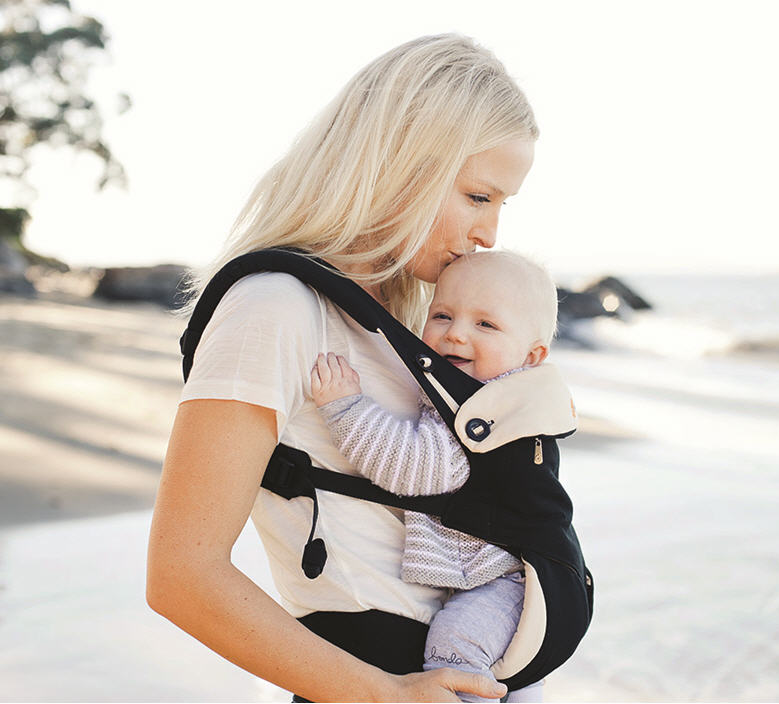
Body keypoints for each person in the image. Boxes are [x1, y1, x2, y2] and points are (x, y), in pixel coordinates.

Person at [146, 34, 538, 702]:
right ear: (401, 162)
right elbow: (182, 576)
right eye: (478, 196)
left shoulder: (406, 321)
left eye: (503, 204)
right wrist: (389, 695)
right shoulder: (274, 306)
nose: (490, 235)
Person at [310, 251, 559, 702]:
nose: (456, 333)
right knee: (514, 680)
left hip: (503, 582)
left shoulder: (482, 414)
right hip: (513, 583)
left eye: (485, 324)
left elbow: (413, 467)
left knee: (454, 649)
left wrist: (346, 408)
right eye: (442, 315)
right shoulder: (502, 400)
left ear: (532, 355)